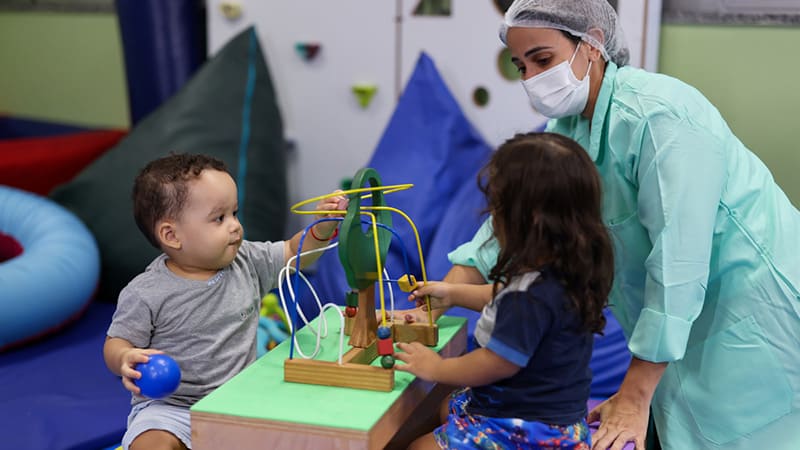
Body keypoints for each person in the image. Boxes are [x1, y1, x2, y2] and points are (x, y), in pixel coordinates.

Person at [413, 1, 800, 448]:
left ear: (593, 44)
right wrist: (427, 308)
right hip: (674, 336)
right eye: (520, 66)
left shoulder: (659, 117)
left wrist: (635, 395)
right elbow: (498, 234)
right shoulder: (567, 127)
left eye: (542, 59)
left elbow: (680, 265)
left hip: (755, 316)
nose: (531, 80)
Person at [103, 153, 346, 450]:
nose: (234, 226)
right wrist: (125, 358)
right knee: (151, 443)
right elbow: (116, 343)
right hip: (171, 409)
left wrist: (321, 228)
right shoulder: (146, 292)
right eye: (219, 218)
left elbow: (295, 252)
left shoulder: (247, 261)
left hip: (241, 400)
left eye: (235, 213)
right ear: (172, 235)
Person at [394, 132, 615, 449]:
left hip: (525, 429)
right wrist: (453, 293)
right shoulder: (562, 272)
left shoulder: (529, 299)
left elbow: (495, 363)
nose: (491, 217)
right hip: (555, 417)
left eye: (497, 208)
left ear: (531, 220)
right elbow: (499, 296)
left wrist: (437, 367)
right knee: (444, 407)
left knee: (417, 446)